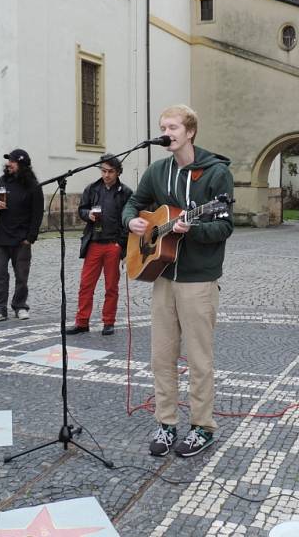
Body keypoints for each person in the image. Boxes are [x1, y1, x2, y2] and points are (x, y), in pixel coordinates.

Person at [122, 104, 234, 458]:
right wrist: (132, 223)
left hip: (198, 279)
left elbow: (225, 225)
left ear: (190, 132)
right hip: (162, 275)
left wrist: (193, 229)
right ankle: (166, 423)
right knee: (161, 356)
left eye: (172, 127)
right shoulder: (157, 171)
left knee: (199, 359)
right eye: (162, 126)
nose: (166, 132)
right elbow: (133, 204)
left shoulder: (216, 173)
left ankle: (203, 427)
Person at [66, 154, 132, 336]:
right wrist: (88, 215)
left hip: (113, 244)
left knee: (111, 286)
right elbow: (82, 209)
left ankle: (108, 321)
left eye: (110, 171)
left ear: (118, 172)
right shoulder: (92, 189)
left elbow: (130, 219)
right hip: (94, 242)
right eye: (103, 171)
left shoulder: (125, 192)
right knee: (86, 284)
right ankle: (81, 322)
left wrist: (121, 244)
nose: (106, 175)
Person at [0, 149, 44, 323]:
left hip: (21, 239)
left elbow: (37, 214)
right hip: (1, 237)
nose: (8, 164)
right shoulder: (3, 180)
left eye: (12, 161)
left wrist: (30, 237)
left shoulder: (33, 186)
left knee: (21, 276)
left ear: (22, 165)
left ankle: (20, 306)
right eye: (8, 161)